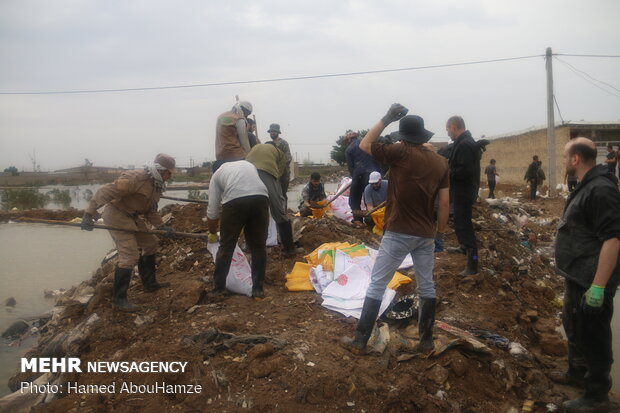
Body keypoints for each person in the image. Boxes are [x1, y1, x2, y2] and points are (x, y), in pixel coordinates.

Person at [340, 104, 449, 355]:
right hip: (425, 234)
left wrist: (386, 119)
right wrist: (440, 234)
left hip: (399, 230)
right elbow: (443, 203)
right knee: (426, 286)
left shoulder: (399, 153)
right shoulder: (441, 163)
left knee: (377, 284)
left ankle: (359, 341)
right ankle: (426, 341)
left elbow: (364, 145)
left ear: (403, 136)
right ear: (423, 136)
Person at [552, 137, 620, 412]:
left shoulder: (602, 189)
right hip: (578, 273)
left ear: (576, 159)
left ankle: (597, 395)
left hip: (592, 277)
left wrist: (599, 287)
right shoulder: (588, 184)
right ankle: (577, 373)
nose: (565, 160)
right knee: (573, 323)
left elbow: (613, 238)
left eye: (566, 156)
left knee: (594, 333)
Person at [81, 154, 177, 312]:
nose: (171, 176)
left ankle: (149, 284)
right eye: (170, 172)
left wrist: (162, 227)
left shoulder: (157, 185)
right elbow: (104, 192)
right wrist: (89, 214)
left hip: (132, 216)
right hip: (116, 215)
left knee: (151, 244)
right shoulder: (136, 178)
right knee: (130, 256)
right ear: (162, 170)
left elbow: (151, 210)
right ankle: (119, 299)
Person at [206, 160, 269, 298]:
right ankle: (258, 289)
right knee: (258, 246)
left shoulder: (216, 175)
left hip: (235, 200)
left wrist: (212, 232)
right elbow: (250, 189)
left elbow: (212, 212)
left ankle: (218, 289)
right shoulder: (247, 164)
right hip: (261, 197)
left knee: (226, 246)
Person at [246, 143, 302, 256]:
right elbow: (278, 173)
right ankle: (289, 249)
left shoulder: (255, 148)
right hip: (265, 172)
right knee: (279, 211)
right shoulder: (279, 152)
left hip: (246, 173)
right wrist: (277, 192)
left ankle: (249, 247)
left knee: (249, 212)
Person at [445, 116, 481, 276]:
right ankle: (463, 247)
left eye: (447, 130)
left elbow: (465, 171)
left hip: (464, 192)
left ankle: (472, 263)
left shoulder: (465, 145)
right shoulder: (464, 143)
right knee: (460, 222)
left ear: (454, 127)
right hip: (462, 190)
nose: (447, 134)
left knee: (465, 225)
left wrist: (447, 173)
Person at [344, 131, 381, 222]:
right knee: (370, 199)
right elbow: (377, 159)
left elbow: (351, 167)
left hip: (359, 174)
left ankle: (358, 221)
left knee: (354, 200)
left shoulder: (349, 149)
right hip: (374, 175)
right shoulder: (367, 143)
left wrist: (355, 178)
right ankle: (373, 220)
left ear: (349, 139)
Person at [214, 101, 253, 171]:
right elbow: (244, 142)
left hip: (220, 156)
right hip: (236, 156)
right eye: (246, 113)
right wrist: (249, 157)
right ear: (241, 109)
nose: (246, 116)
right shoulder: (239, 119)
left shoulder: (220, 116)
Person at [267, 124, 293, 208]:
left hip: (283, 173)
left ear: (278, 132)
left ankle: (284, 212)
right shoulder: (268, 145)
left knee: (282, 193)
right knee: (273, 194)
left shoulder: (283, 143)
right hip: (272, 172)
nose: (272, 133)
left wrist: (280, 168)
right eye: (271, 131)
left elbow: (288, 157)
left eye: (274, 131)